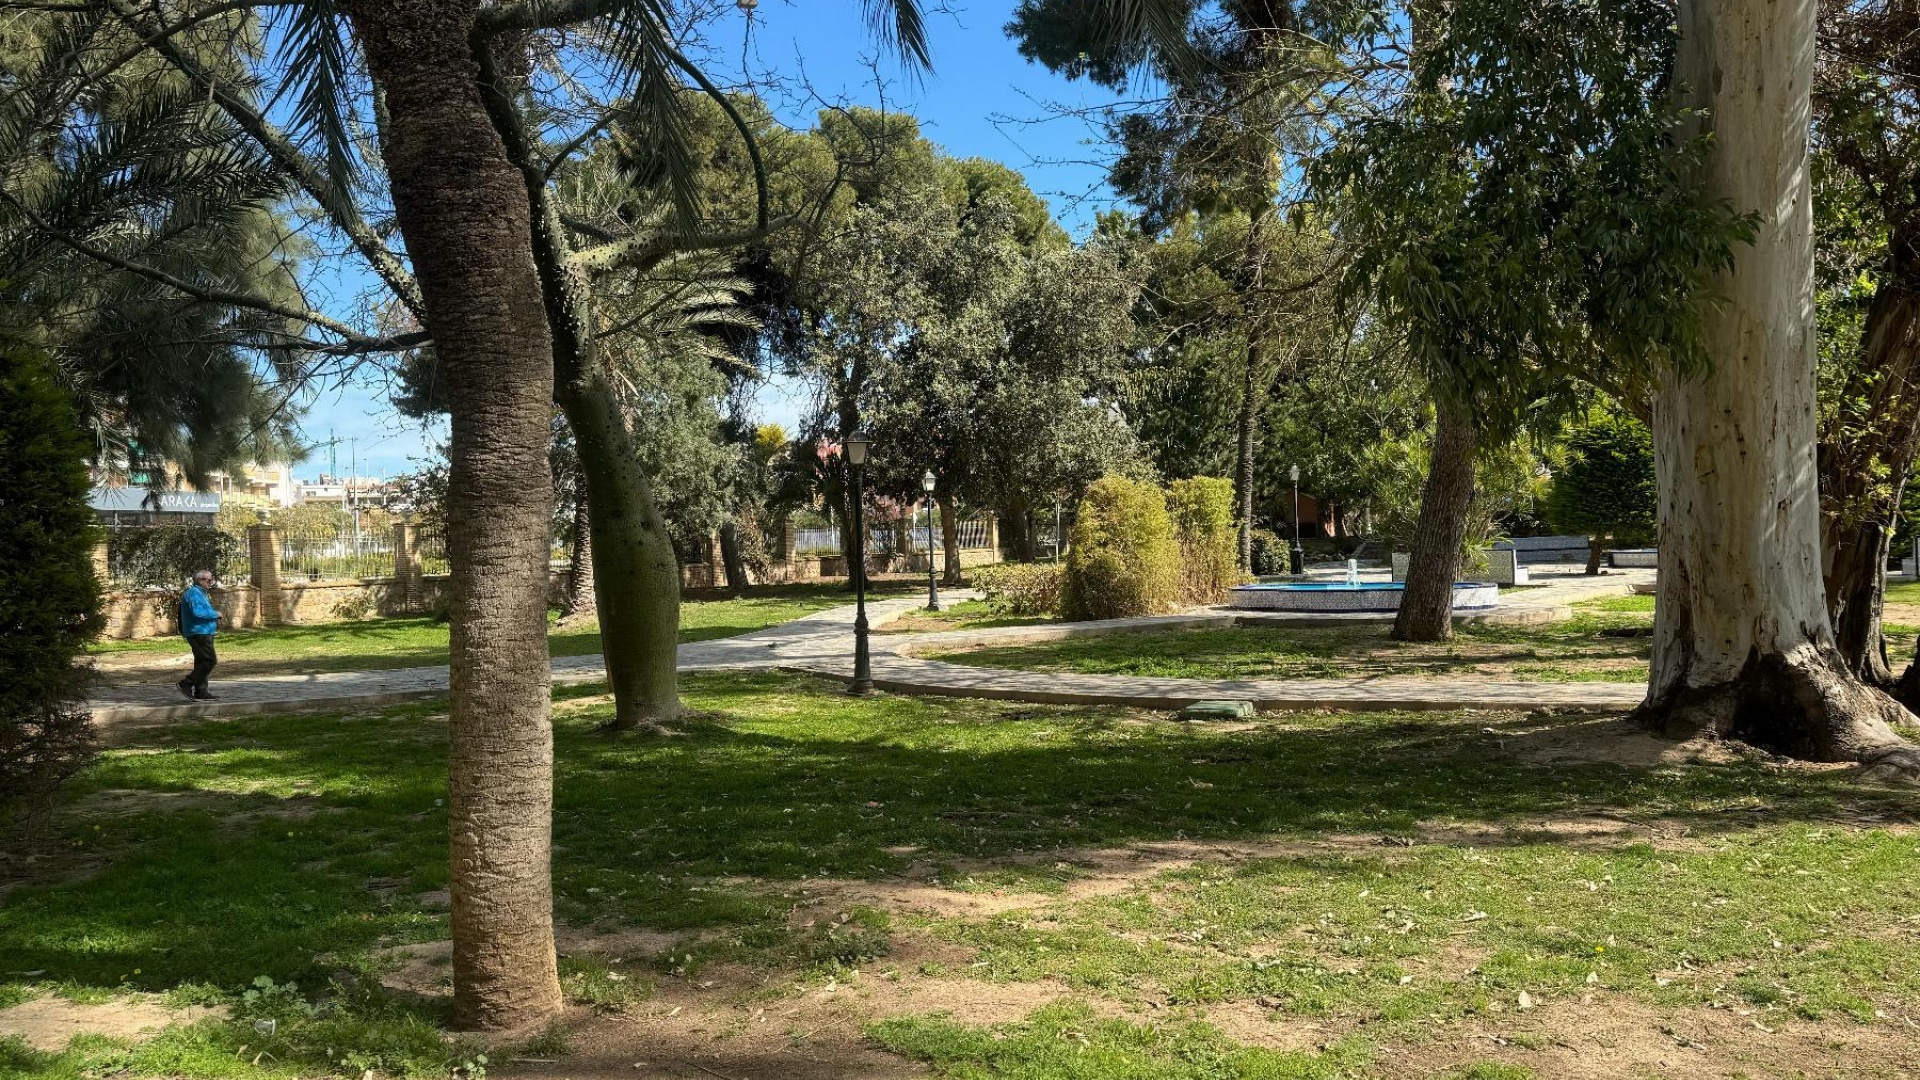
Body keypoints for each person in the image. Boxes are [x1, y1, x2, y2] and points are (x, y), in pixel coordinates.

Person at [176, 569, 221, 701]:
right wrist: (216, 614)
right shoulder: (194, 594)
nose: (210, 582)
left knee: (202, 661)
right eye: (208, 580)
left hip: (204, 631)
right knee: (210, 661)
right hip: (199, 632)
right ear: (200, 580)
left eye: (211, 580)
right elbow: (198, 612)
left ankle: (201, 691)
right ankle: (186, 683)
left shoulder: (200, 593)